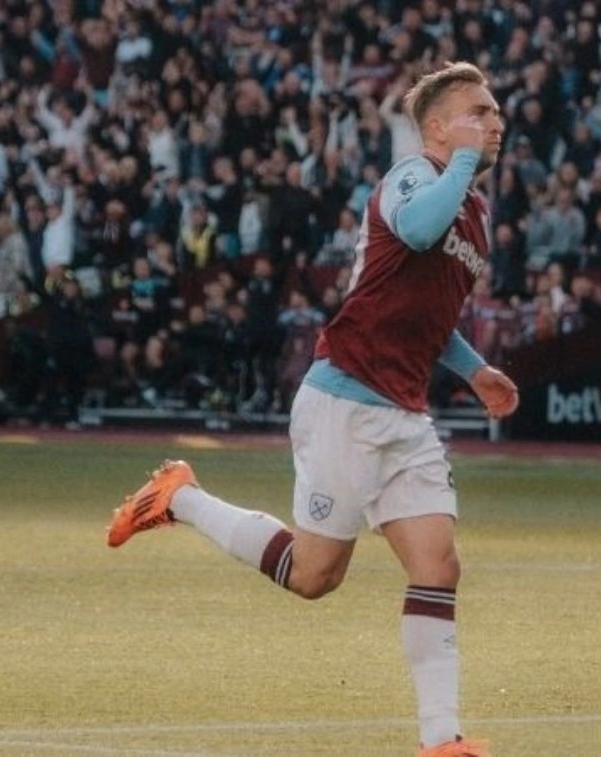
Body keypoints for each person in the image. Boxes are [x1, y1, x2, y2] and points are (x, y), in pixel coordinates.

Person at [105, 62, 517, 757]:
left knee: (439, 565)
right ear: (437, 127)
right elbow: (419, 231)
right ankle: (181, 498)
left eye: (496, 111)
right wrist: (462, 161)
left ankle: (441, 738)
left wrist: (474, 370)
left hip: (405, 414)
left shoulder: (473, 211)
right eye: (479, 111)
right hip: (345, 401)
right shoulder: (413, 177)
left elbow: (429, 314)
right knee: (314, 576)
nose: (495, 121)